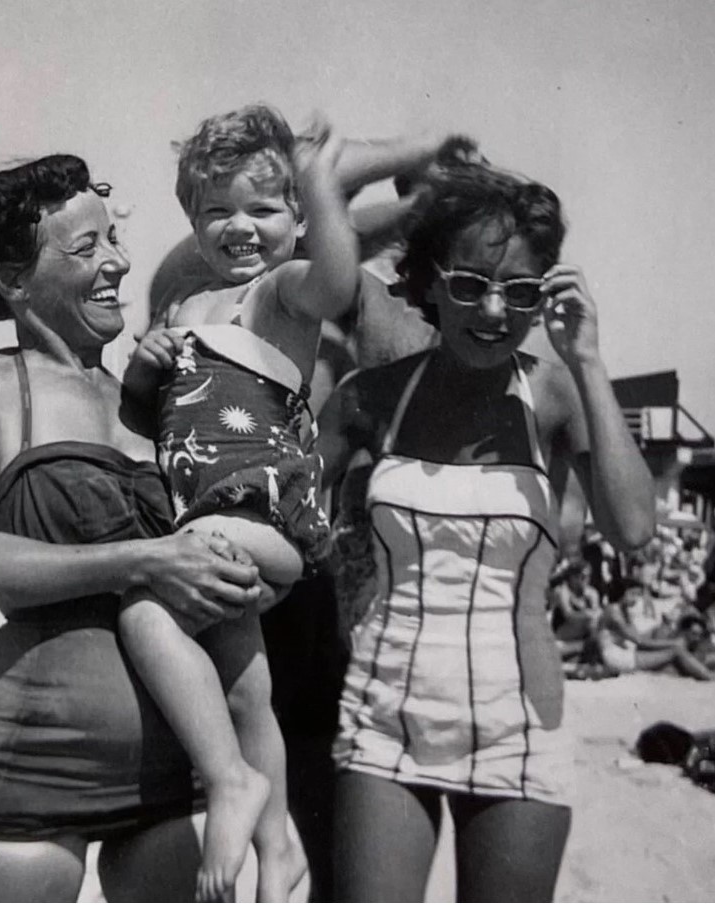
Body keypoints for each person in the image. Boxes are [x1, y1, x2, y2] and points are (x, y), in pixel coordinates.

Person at [0, 154, 267, 902]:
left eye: (115, 238)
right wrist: (142, 559)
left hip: (172, 774)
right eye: (86, 249)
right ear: (13, 279)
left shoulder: (159, 397)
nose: (118, 262)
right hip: (35, 761)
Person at [318, 158, 655, 901]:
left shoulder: (555, 392)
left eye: (522, 291)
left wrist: (590, 362)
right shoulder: (367, 398)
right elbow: (282, 516)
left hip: (522, 721)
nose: (495, 310)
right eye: (470, 284)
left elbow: (631, 527)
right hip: (384, 714)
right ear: (428, 283)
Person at [121, 104, 362, 902]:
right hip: (208, 520)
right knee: (244, 689)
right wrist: (146, 365)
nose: (239, 228)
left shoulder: (282, 292)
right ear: (191, 220)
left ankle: (228, 782)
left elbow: (336, 280)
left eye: (263, 208)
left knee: (147, 618)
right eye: (216, 211)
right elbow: (144, 417)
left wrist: (324, 184)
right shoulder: (185, 309)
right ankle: (279, 843)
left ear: (296, 216)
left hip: (259, 511)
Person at [596, 578, 714, 679]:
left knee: (670, 653)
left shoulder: (624, 610)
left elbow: (638, 638)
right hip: (616, 657)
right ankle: (709, 676)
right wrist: (673, 643)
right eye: (633, 594)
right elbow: (639, 641)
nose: (636, 599)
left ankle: (702, 668)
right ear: (622, 593)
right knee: (675, 652)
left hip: (625, 652)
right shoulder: (613, 611)